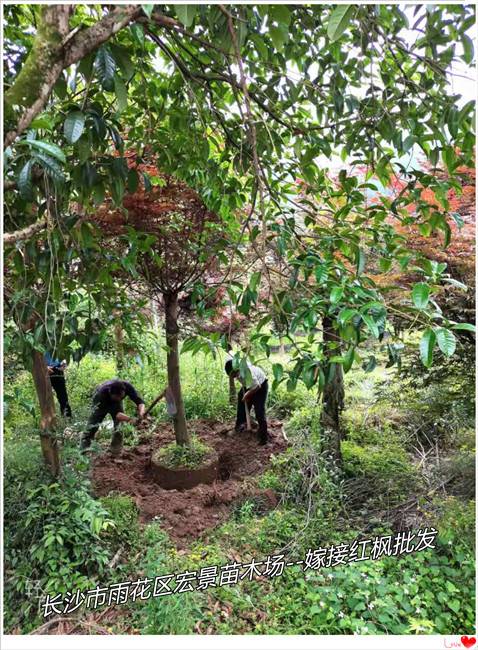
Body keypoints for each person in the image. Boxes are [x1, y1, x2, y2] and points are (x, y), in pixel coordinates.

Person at [80, 379, 146, 454]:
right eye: (116, 397)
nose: (119, 399)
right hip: (100, 403)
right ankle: (83, 451)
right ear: (110, 393)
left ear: (123, 392)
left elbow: (140, 402)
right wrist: (130, 419)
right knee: (92, 426)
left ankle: (116, 448)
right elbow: (117, 415)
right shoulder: (101, 394)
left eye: (121, 397)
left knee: (119, 425)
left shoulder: (127, 387)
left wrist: (141, 413)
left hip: (114, 400)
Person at [225, 359, 269, 445]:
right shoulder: (238, 368)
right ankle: (239, 426)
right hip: (249, 384)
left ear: (237, 370)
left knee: (259, 411)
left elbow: (257, 386)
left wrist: (248, 394)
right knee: (241, 399)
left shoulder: (247, 372)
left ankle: (263, 438)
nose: (235, 377)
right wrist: (247, 395)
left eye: (234, 375)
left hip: (260, 385)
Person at [44, 352, 72, 418]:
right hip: (44, 371)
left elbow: (62, 351)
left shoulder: (56, 342)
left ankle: (67, 419)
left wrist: (63, 362)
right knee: (45, 398)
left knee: (63, 398)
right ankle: (49, 423)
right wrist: (44, 367)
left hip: (57, 369)